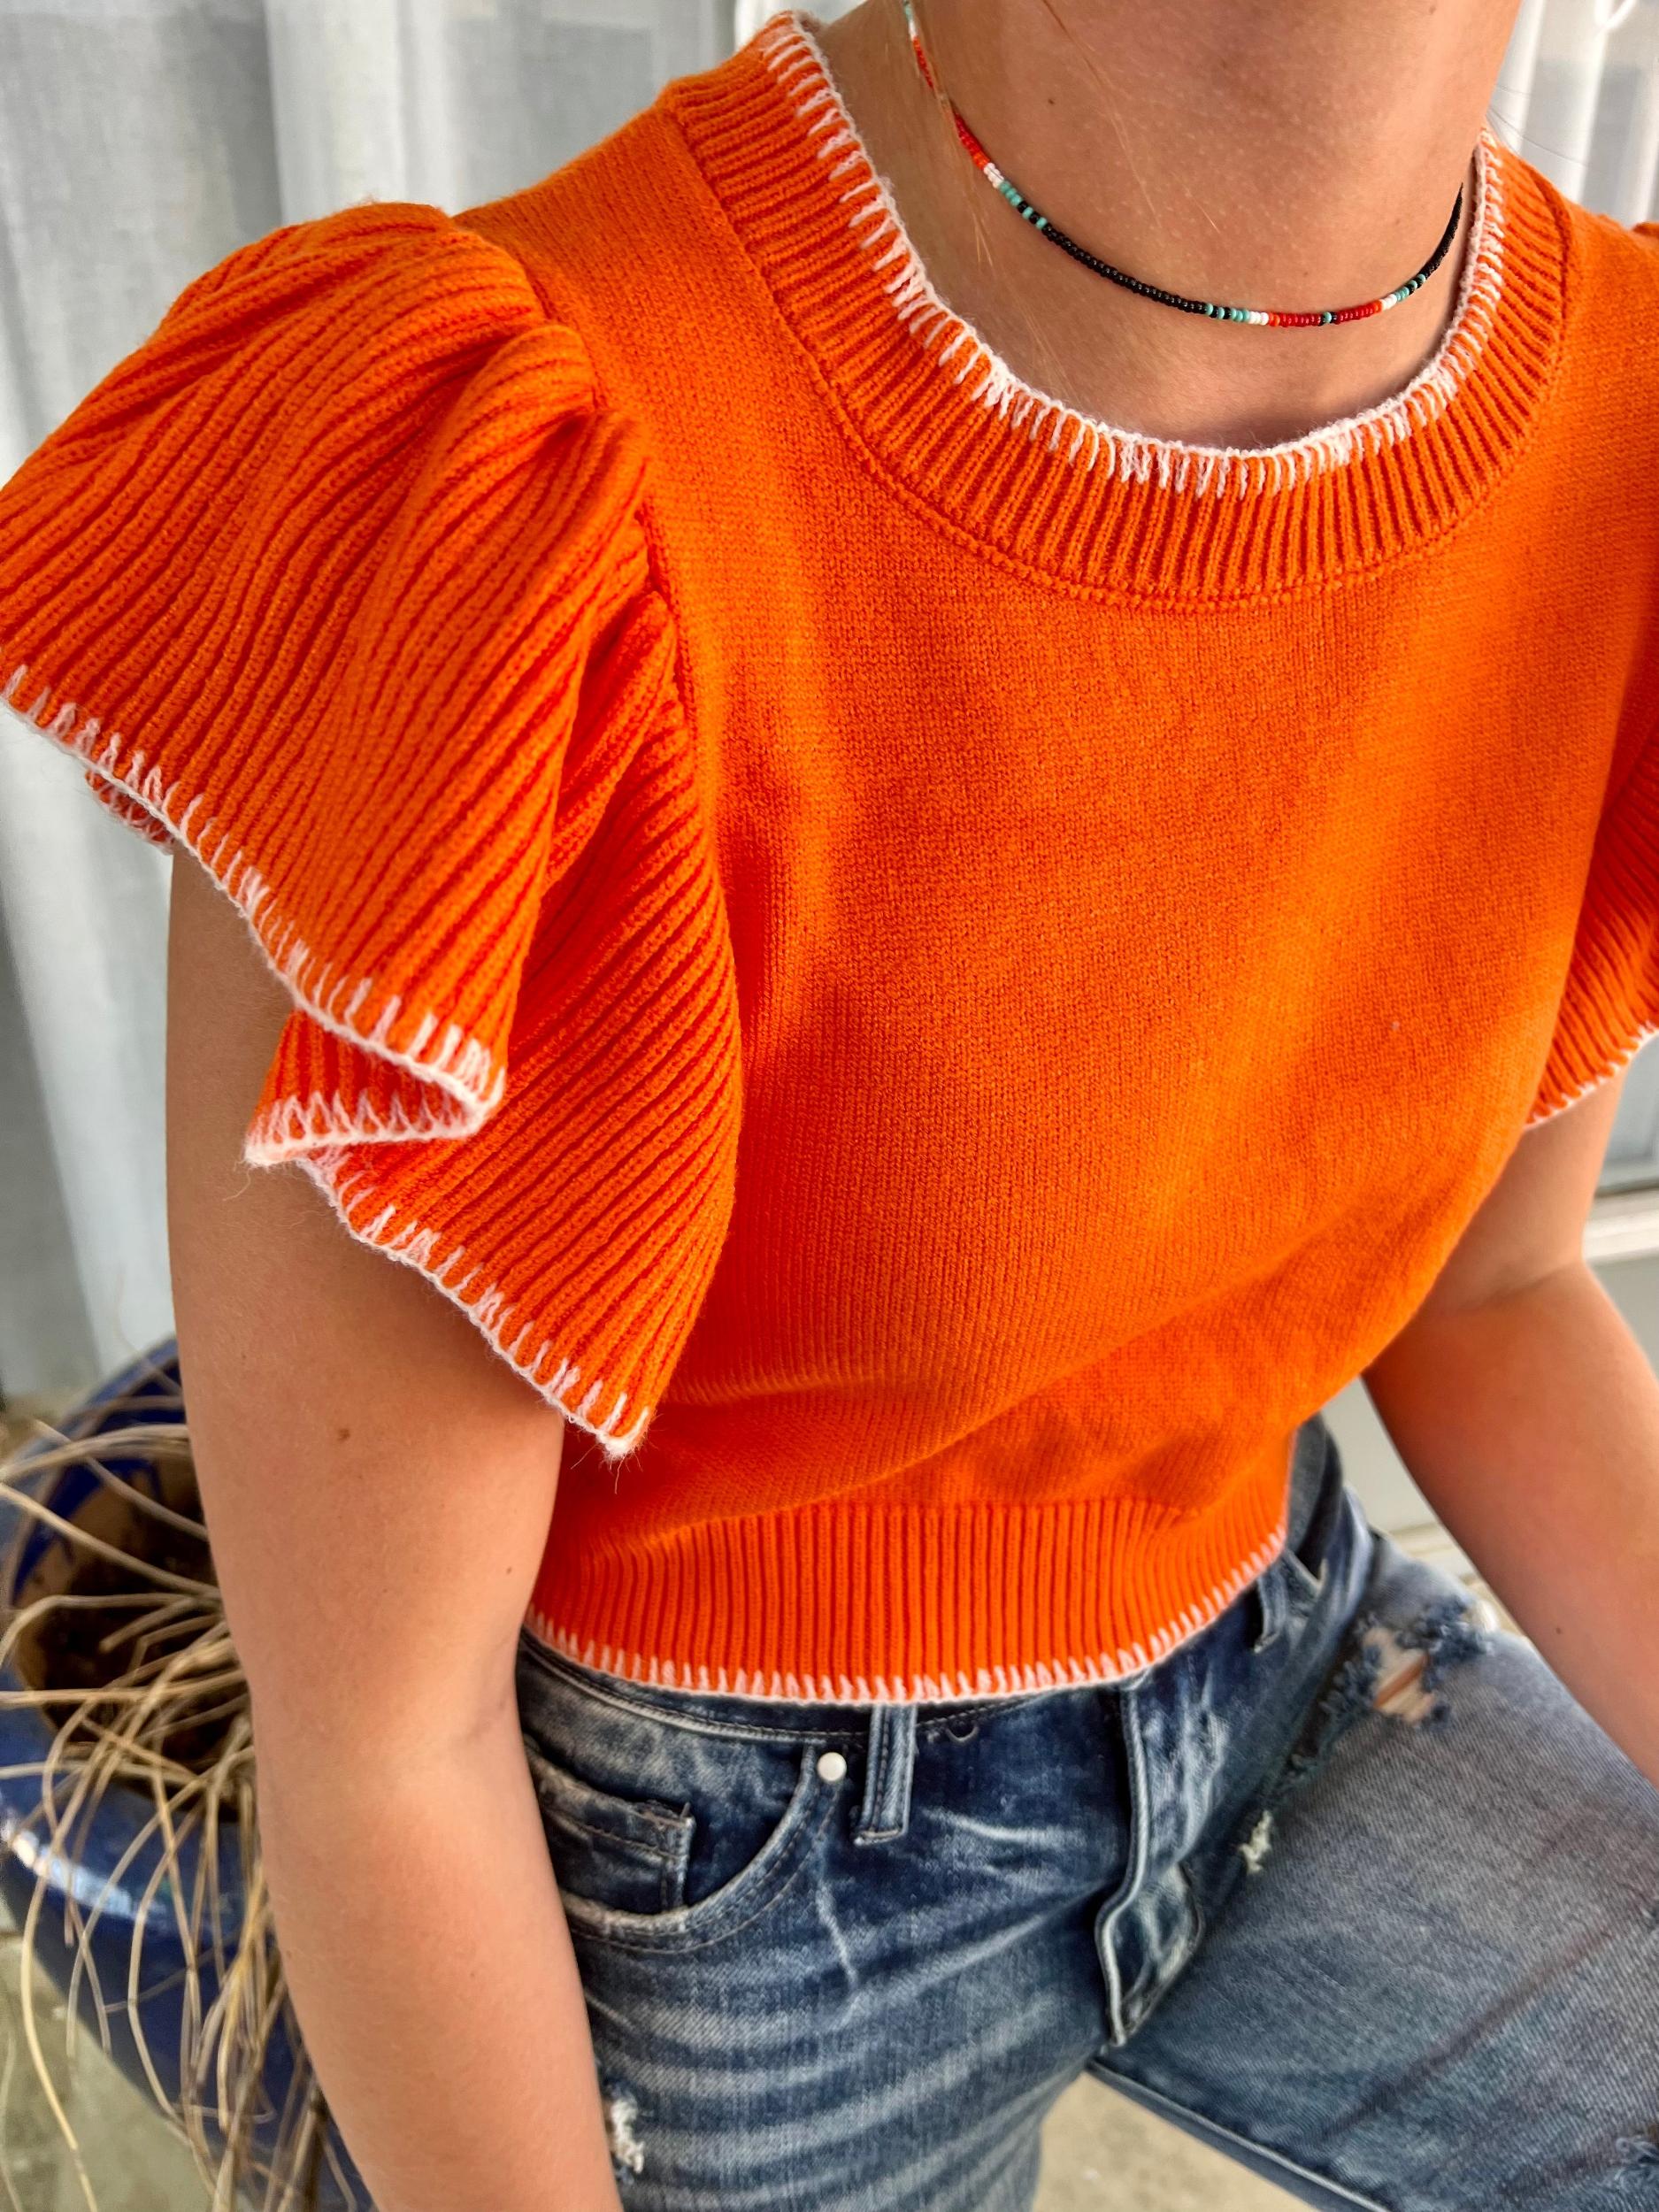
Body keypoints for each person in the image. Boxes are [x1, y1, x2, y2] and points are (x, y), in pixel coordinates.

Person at [1, 0, 1656, 2205]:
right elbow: (382, 1738)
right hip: (744, 1873)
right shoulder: (523, 488)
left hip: (1280, 1647)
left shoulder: (1612, 424)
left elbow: (1492, 1292)